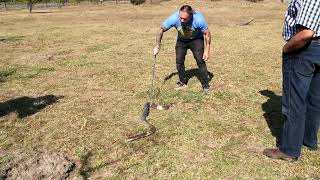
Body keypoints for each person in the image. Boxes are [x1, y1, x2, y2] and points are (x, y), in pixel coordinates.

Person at [263, 0, 320, 161]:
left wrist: (286, 48)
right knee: (314, 99)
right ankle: (309, 140)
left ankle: (289, 149)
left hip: (305, 49)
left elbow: (306, 33)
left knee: (294, 101)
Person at [153, 5, 212, 94]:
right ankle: (183, 82)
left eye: (185, 19)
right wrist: (157, 46)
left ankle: (205, 85)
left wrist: (207, 50)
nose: (182, 20)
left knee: (200, 60)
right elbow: (161, 30)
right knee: (179, 61)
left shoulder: (199, 19)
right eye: (181, 18)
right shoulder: (174, 18)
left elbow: (207, 34)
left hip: (196, 40)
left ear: (191, 16)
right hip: (182, 41)